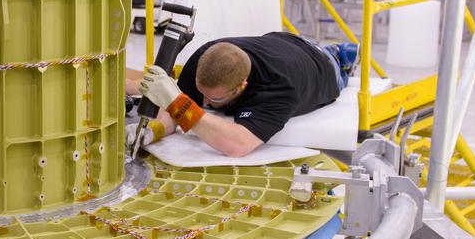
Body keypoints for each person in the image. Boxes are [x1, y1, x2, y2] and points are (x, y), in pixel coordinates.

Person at [128, 32, 357, 158]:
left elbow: (237, 145)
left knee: (338, 65)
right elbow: (174, 116)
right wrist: (152, 130)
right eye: (201, 94)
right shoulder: (206, 57)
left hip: (323, 68)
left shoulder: (278, 87)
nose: (205, 103)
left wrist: (179, 102)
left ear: (241, 87)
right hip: (284, 41)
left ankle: (341, 54)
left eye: (214, 99)